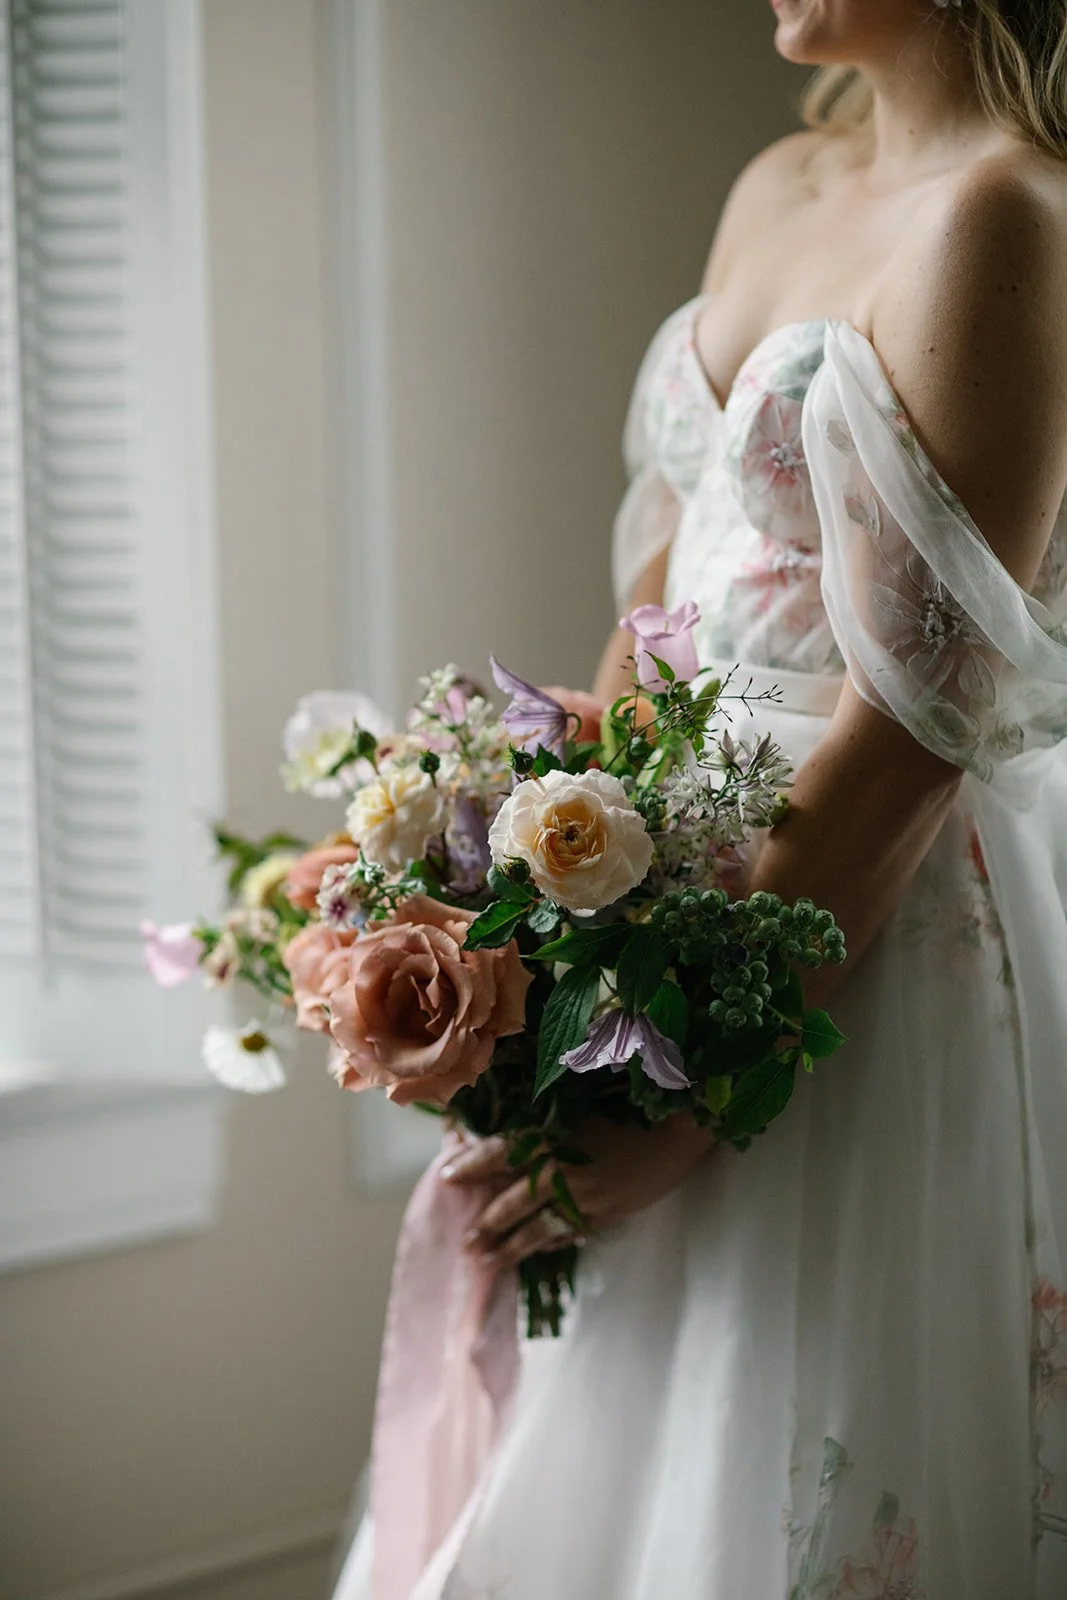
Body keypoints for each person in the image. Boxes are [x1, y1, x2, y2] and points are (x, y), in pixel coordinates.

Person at [335, 2, 1067, 1593]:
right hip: (679, 895)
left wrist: (691, 1109)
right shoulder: (776, 183)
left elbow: (905, 740)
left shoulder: (1007, 212)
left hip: (870, 925)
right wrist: (542, 881)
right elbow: (664, 607)